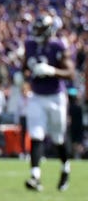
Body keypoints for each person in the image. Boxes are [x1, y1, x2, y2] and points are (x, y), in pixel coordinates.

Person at [23, 13, 75, 191]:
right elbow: (25, 68)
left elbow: (70, 73)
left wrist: (52, 71)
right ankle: (35, 176)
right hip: (37, 96)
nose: (37, 33)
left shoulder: (58, 45)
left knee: (58, 137)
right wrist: (21, 76)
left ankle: (65, 168)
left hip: (55, 96)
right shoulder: (29, 45)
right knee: (36, 135)